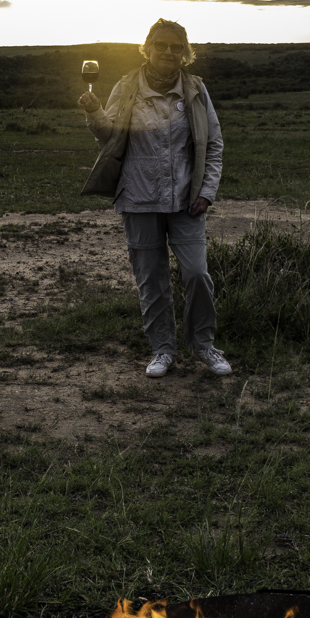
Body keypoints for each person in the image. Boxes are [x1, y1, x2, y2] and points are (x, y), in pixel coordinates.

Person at [77, 19, 231, 378]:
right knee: (151, 279)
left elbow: (214, 145)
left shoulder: (196, 89)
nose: (168, 52)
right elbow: (110, 137)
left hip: (187, 201)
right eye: (161, 45)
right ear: (147, 48)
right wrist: (94, 112)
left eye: (176, 47)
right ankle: (162, 350)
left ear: (185, 53)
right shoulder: (127, 86)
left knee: (197, 274)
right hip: (138, 197)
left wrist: (206, 193)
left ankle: (204, 345)